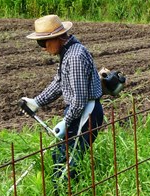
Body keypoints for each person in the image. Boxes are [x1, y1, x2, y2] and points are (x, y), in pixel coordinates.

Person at [19, 14, 104, 180]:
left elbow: (79, 101)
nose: (43, 48)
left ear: (57, 38)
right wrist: (36, 102)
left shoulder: (74, 57)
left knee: (66, 166)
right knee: (59, 158)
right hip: (79, 113)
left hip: (86, 114)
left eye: (42, 43)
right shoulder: (68, 52)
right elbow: (59, 83)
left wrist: (66, 121)